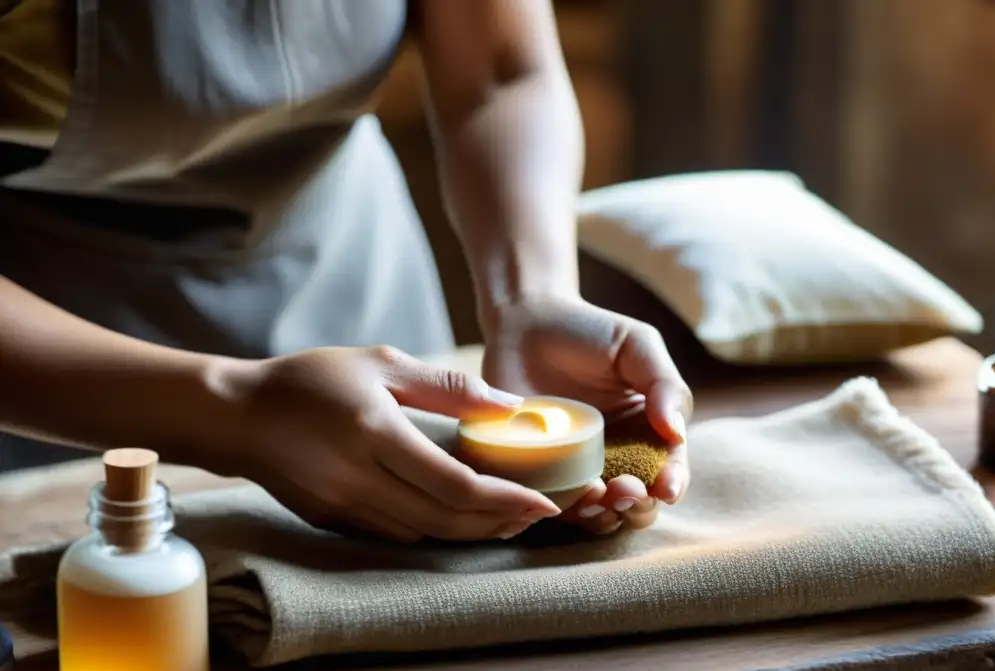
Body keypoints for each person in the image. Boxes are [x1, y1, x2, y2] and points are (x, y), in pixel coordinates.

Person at [0, 0, 691, 542]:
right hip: (53, 350)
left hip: (350, 261)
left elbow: (501, 71)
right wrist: (236, 413)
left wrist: (530, 293)